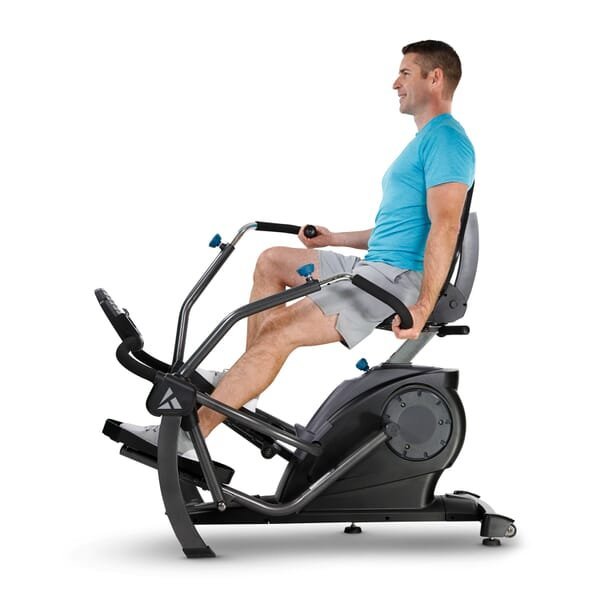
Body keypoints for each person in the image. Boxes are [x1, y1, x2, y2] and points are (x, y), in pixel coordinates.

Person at [123, 40, 475, 447]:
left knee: (278, 331)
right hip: (376, 266)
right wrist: (333, 238)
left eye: (405, 73)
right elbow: (398, 230)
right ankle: (245, 385)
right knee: (272, 260)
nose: (395, 83)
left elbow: (446, 227)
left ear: (435, 78)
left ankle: (187, 439)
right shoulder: (426, 141)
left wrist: (422, 307)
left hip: (396, 280)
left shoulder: (447, 141)